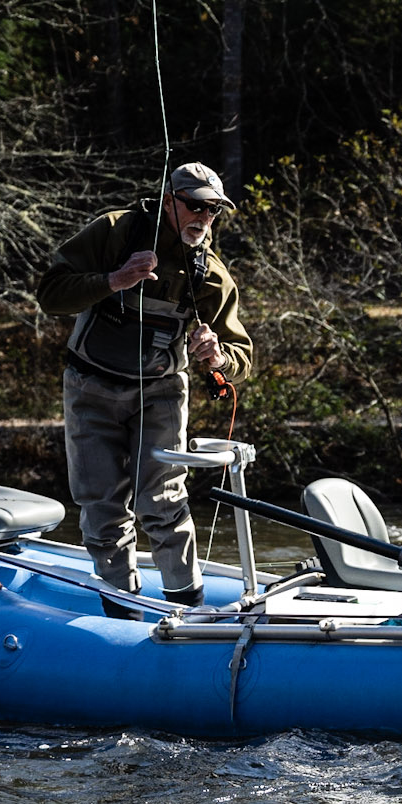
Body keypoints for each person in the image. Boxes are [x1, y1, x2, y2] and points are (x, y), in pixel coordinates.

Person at [37, 162, 253, 615]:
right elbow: (51, 294)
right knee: (102, 507)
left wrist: (217, 358)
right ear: (169, 201)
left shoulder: (210, 275)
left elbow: (241, 357)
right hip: (90, 386)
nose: (204, 218)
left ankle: (190, 612)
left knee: (165, 504)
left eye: (214, 210)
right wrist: (113, 280)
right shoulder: (114, 232)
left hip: (160, 393)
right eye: (195, 205)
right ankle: (122, 613)